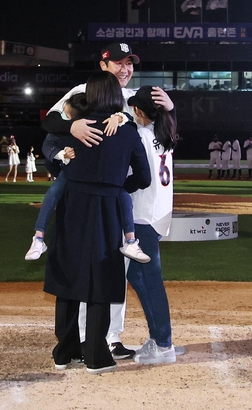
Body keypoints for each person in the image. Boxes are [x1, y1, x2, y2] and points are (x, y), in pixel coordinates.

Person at [52, 42, 175, 359]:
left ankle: (110, 337)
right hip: (89, 196)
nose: (126, 68)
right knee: (89, 267)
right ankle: (82, 336)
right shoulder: (85, 89)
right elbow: (50, 123)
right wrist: (71, 124)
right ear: (103, 65)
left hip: (119, 202)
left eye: (130, 63)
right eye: (119, 63)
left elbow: (153, 135)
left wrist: (168, 110)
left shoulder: (130, 99)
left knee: (113, 272)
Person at [43, 73, 152, 374]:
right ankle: (95, 354)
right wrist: (118, 188)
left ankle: (64, 352)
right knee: (101, 278)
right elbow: (144, 177)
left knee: (68, 273)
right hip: (107, 207)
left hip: (72, 205)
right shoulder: (127, 131)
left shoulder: (76, 127)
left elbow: (52, 160)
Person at [26, 93, 150, 265]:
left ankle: (130, 241)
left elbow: (49, 154)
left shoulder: (82, 125)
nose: (63, 111)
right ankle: (38, 238)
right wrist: (62, 155)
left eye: (66, 109)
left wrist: (118, 117)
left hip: (86, 184)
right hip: (83, 179)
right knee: (53, 195)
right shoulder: (67, 128)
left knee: (122, 198)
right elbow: (48, 148)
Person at [125, 86, 181, 364]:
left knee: (150, 279)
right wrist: (170, 110)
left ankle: (164, 344)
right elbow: (170, 121)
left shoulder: (140, 134)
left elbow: (141, 178)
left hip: (144, 215)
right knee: (136, 275)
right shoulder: (164, 132)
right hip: (157, 214)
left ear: (139, 111)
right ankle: (158, 336)